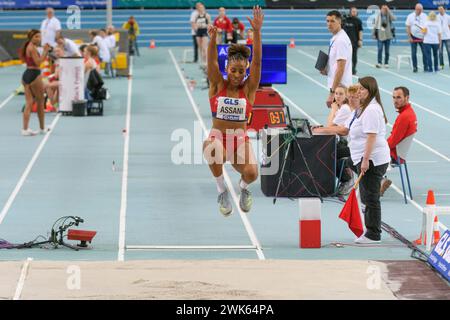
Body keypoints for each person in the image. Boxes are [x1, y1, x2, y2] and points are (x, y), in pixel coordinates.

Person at [203, 6, 263, 216]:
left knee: (252, 172)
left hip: (240, 139)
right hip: (218, 136)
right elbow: (211, 62)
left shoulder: (249, 89)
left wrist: (256, 33)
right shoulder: (218, 85)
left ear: (245, 70)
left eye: (241, 71)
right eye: (233, 70)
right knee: (213, 148)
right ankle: (221, 190)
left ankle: (243, 189)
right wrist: (212, 39)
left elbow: (257, 63)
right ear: (227, 68)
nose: (237, 75)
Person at [335, 77, 390, 244]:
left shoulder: (372, 109)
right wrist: (322, 130)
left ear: (370, 90)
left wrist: (366, 160)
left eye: (362, 89)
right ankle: (369, 230)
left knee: (370, 197)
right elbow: (345, 129)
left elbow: (371, 137)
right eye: (358, 89)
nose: (359, 92)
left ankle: (373, 234)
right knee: (367, 195)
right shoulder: (361, 108)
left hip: (373, 159)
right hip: (360, 156)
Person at [312, 85, 360, 195]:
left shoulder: (344, 109)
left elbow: (331, 126)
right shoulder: (343, 108)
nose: (337, 96)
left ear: (346, 96)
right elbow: (332, 126)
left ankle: (347, 179)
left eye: (341, 94)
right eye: (336, 94)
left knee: (328, 152)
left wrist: (333, 109)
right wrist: (321, 128)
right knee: (327, 148)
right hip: (346, 142)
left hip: (349, 145)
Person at [380, 87, 418, 196]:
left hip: (394, 155)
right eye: (394, 97)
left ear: (407, 98)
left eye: (399, 97)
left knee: (360, 156)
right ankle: (380, 179)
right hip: (398, 153)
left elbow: (392, 142)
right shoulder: (409, 113)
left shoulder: (404, 117)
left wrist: (378, 146)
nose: (395, 100)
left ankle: (377, 181)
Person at [20, 30, 51, 136]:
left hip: (26, 75)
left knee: (29, 103)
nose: (39, 38)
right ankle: (42, 128)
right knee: (40, 101)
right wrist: (45, 51)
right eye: (36, 37)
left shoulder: (29, 46)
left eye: (40, 36)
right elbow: (38, 62)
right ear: (31, 37)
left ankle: (25, 129)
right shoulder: (32, 48)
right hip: (34, 74)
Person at [321, 11, 353, 109]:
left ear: (339, 21)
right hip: (339, 87)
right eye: (327, 21)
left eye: (332, 21)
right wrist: (328, 69)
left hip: (340, 88)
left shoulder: (340, 40)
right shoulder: (336, 37)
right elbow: (337, 63)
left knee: (336, 120)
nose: (329, 24)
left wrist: (332, 93)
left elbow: (341, 68)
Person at [406, 3, 428, 73]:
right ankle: (415, 67)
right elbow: (408, 27)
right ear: (415, 9)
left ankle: (426, 67)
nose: (420, 11)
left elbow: (427, 27)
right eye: (419, 10)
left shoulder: (425, 16)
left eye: (421, 10)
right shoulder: (410, 16)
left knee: (425, 53)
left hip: (423, 37)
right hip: (413, 36)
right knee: (413, 53)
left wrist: (426, 33)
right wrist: (409, 37)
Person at [342, 7, 363, 75]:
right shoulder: (345, 20)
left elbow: (360, 31)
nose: (354, 12)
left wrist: (360, 40)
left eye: (355, 11)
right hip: (345, 42)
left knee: (354, 56)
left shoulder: (358, 21)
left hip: (354, 42)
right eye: (353, 11)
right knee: (345, 56)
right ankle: (345, 69)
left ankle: (353, 69)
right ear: (350, 12)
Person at [194, 3, 211, 67]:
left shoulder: (207, 15)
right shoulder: (196, 16)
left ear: (204, 8)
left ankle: (206, 61)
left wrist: (205, 25)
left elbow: (209, 24)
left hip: (204, 31)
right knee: (200, 48)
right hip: (198, 32)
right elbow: (195, 24)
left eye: (202, 8)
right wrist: (196, 27)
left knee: (204, 48)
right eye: (199, 8)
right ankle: (203, 61)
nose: (200, 9)